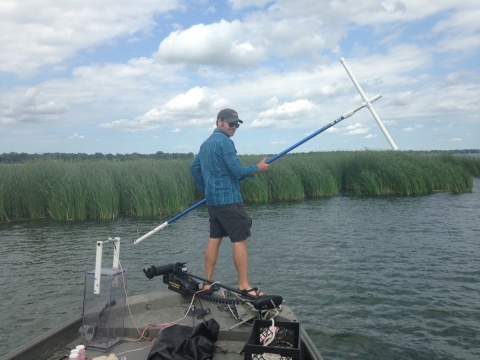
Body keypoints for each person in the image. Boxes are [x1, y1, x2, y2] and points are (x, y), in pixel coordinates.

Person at [190, 108, 269, 297]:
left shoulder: (205, 144)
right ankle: (244, 287)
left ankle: (207, 283)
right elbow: (237, 170)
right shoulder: (225, 143)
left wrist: (207, 189)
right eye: (231, 123)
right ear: (220, 122)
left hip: (213, 203)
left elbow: (194, 169)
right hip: (230, 201)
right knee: (240, 240)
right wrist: (257, 168)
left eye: (237, 124)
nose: (234, 127)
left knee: (215, 238)